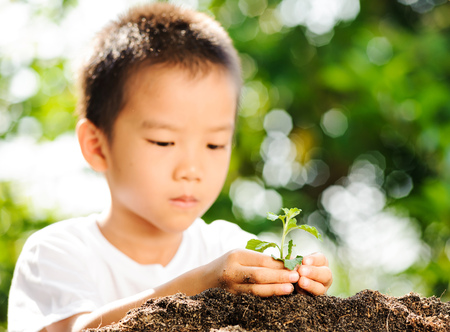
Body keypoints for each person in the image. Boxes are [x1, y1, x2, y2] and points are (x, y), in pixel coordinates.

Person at [8, 2, 333, 332]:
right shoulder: (57, 254)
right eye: (163, 142)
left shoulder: (226, 248)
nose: (191, 169)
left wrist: (298, 282)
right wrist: (200, 286)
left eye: (214, 145)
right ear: (97, 145)